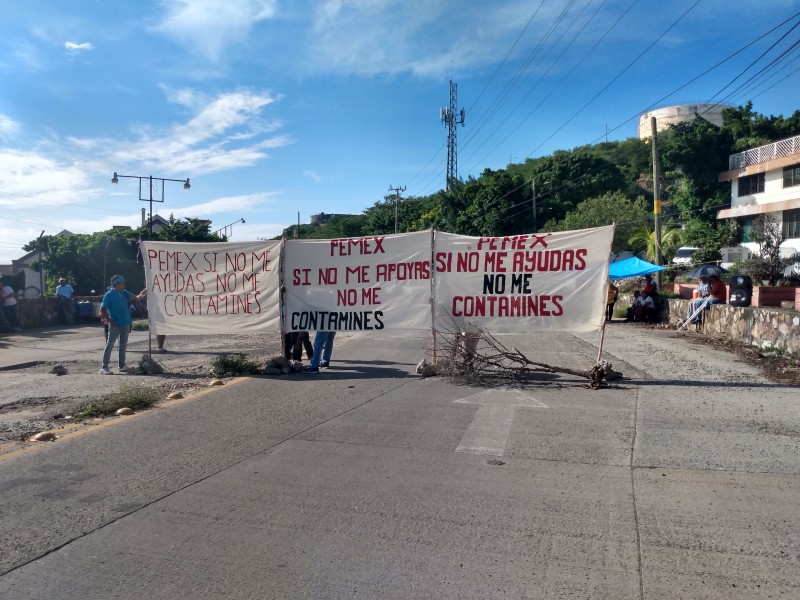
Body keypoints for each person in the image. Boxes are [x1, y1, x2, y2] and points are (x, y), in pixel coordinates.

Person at [99, 275, 146, 375]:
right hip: (115, 324)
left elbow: (137, 298)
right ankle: (104, 367)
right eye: (122, 282)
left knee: (123, 345)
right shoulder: (109, 294)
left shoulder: (124, 292)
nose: (124, 283)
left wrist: (145, 290)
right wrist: (110, 320)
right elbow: (102, 309)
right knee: (109, 345)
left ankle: (122, 365)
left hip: (126, 323)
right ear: (117, 283)